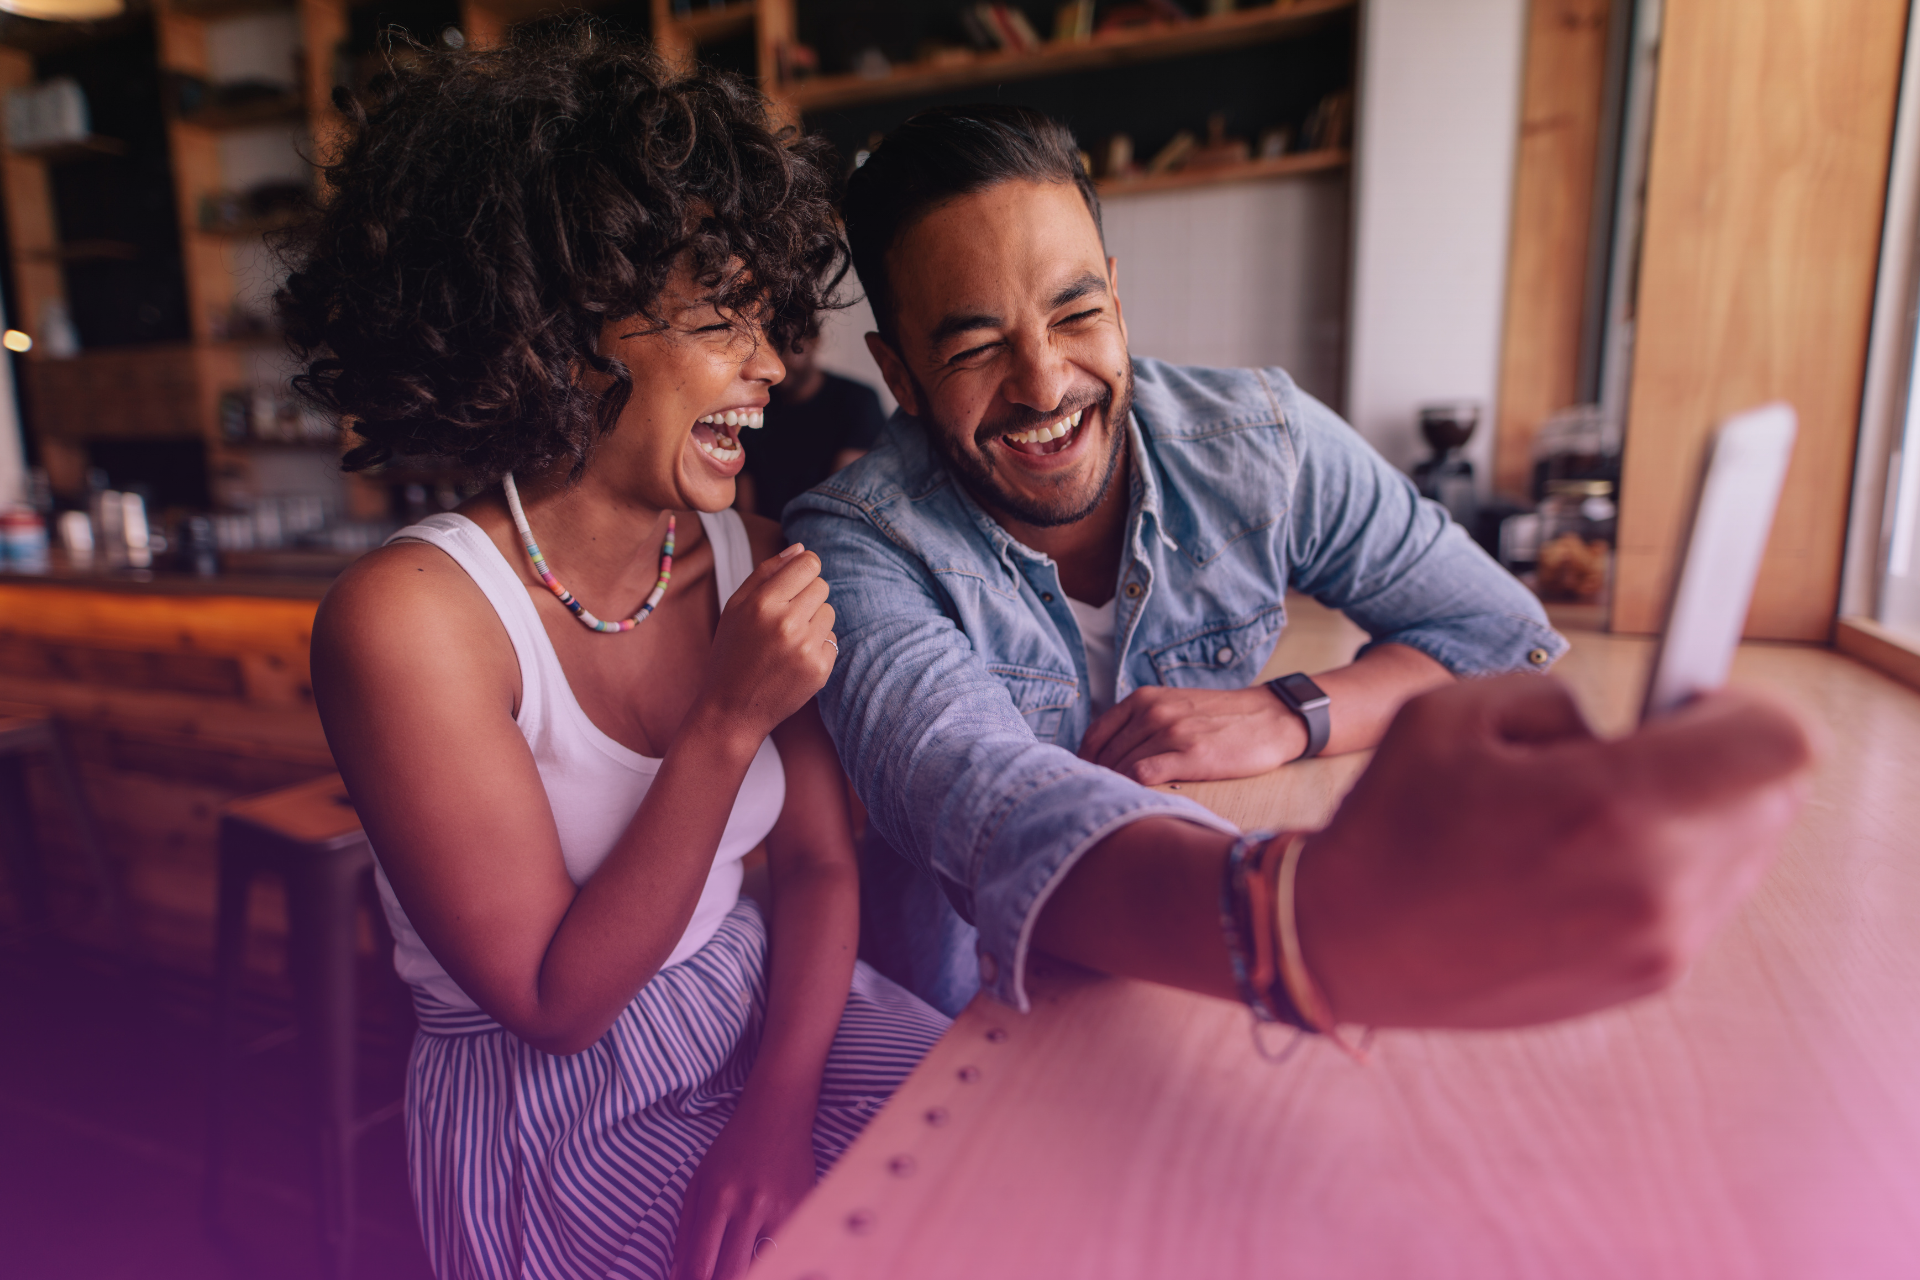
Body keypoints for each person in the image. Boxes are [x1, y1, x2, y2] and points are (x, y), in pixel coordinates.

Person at [784, 104, 1814, 1031]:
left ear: (1120, 302)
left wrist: (1290, 709)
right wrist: (1298, 923)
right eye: (974, 348)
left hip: (1204, 1002)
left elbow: (1507, 638)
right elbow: (984, 798)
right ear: (899, 376)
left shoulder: (1258, 440)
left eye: (1076, 312)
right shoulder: (856, 542)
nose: (1046, 380)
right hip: (967, 1020)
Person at [282, 31, 946, 1280]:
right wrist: (722, 722)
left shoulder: (744, 543)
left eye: (768, 318)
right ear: (566, 338)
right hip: (561, 1097)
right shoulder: (412, 618)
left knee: (1014, 1160)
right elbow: (552, 998)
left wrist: (780, 1104)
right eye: (719, 320)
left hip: (768, 1011)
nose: (771, 363)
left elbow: (811, 865)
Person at [734, 331, 888, 521]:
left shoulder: (857, 400)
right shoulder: (754, 407)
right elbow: (746, 510)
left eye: (789, 347)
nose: (780, 361)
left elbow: (842, 497)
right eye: (771, 348)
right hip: (766, 537)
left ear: (814, 340)